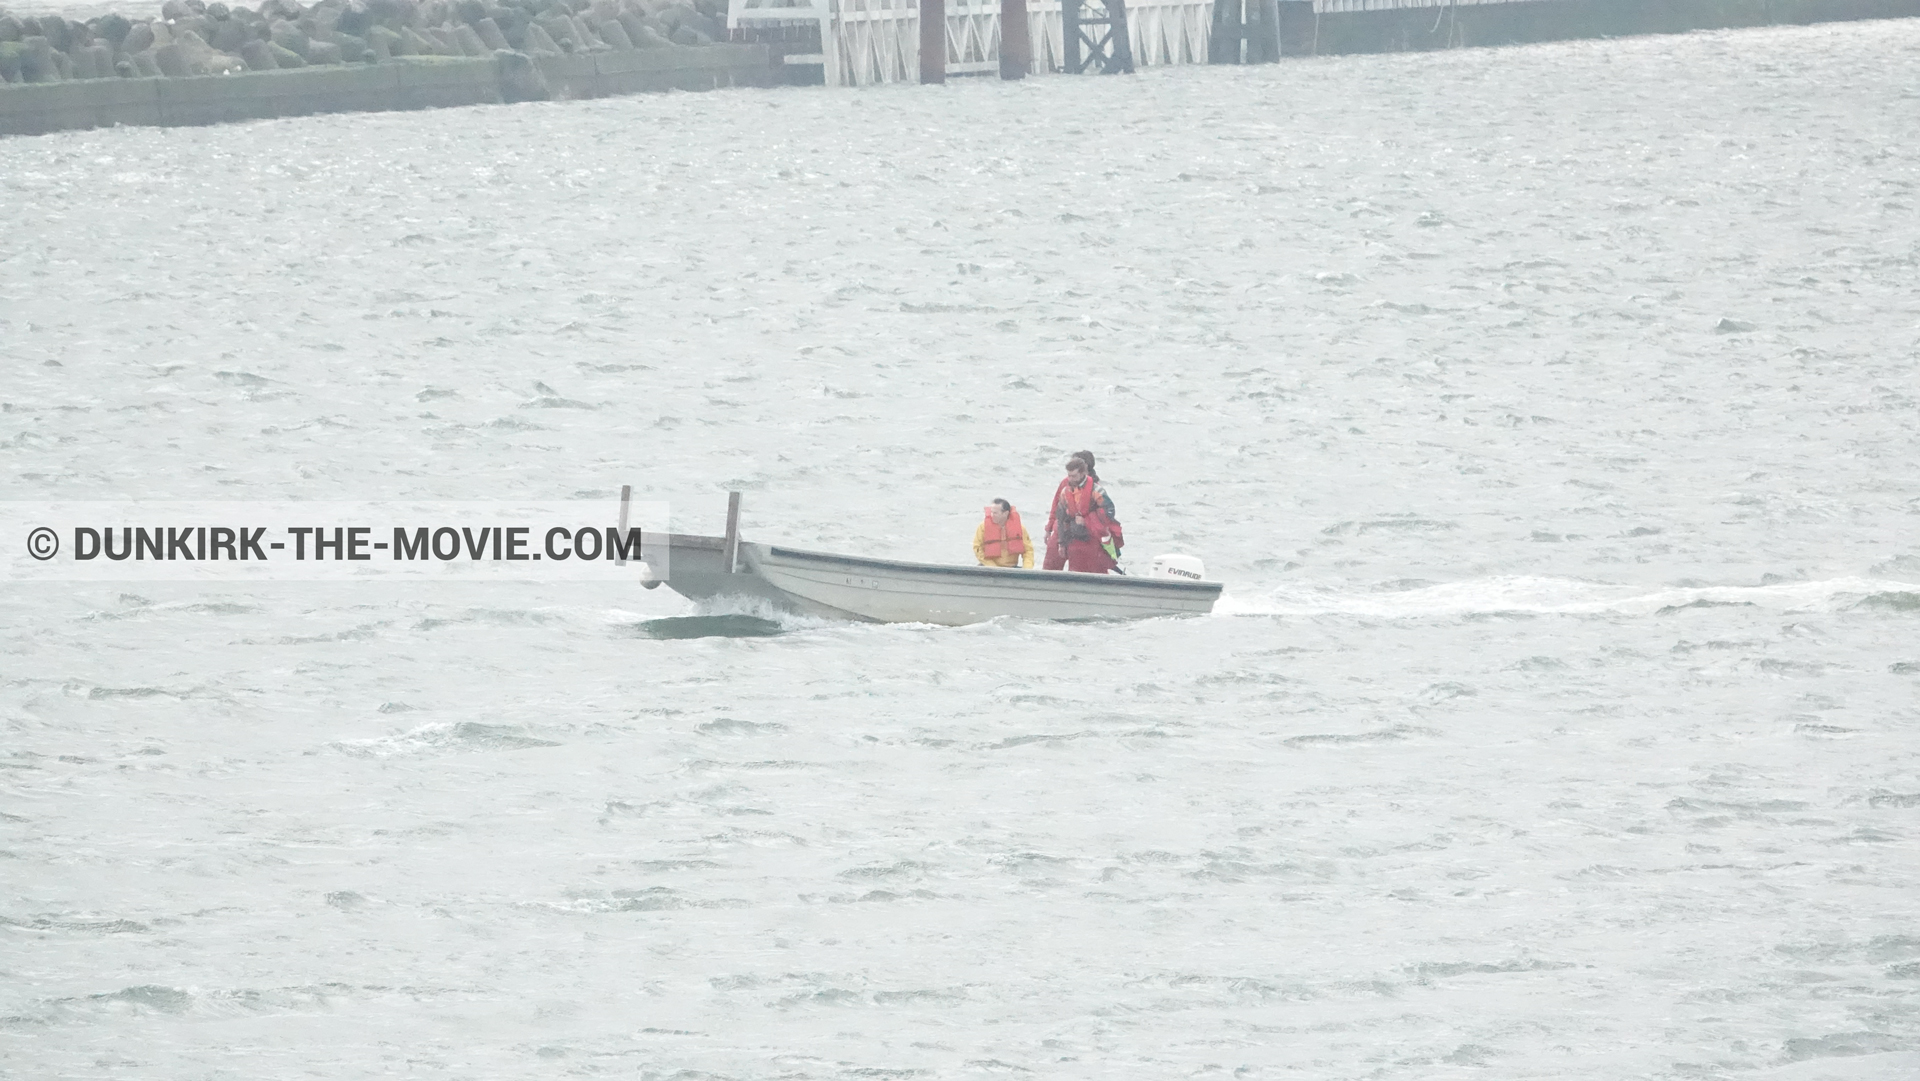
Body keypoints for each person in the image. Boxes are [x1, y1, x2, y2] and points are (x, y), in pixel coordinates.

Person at [1044, 451, 1123, 574]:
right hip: (1065, 530)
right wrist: (1050, 530)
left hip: (1087, 535)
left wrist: (1086, 520)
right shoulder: (1066, 489)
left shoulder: (1096, 490)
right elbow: (1057, 509)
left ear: (1084, 471)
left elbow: (1109, 513)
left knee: (1086, 569)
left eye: (1073, 475)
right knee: (1050, 566)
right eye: (1069, 475)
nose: (1070, 479)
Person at [973, 498, 1035, 568]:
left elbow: (1028, 550)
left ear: (1005, 513)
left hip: (1011, 568)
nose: (992, 515)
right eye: (991, 512)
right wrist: (992, 567)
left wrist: (1027, 569)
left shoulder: (1020, 529)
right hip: (989, 566)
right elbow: (977, 547)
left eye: (995, 513)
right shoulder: (983, 527)